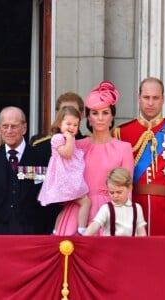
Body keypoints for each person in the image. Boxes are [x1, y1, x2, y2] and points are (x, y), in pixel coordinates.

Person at [113, 77, 165, 236]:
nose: (150, 103)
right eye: (146, 97)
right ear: (139, 98)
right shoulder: (121, 133)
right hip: (132, 213)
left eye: (155, 98)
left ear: (163, 99)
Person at [56, 80, 134, 235]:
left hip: (111, 212)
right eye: (95, 113)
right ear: (88, 118)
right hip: (78, 211)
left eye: (105, 113)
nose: (100, 118)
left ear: (112, 117)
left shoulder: (124, 148)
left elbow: (127, 191)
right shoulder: (76, 146)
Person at [0, 106, 52, 234]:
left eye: (14, 126)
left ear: (24, 128)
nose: (9, 130)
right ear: (0, 128)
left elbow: (49, 196)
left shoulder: (41, 157)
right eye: (5, 126)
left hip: (33, 232)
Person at [31, 92, 86, 233]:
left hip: (80, 211)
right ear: (57, 115)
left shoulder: (87, 144)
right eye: (64, 111)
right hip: (50, 211)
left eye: (74, 112)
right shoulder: (40, 146)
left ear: (82, 115)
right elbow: (31, 177)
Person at [85, 167, 146, 236]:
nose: (115, 195)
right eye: (111, 192)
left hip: (131, 246)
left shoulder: (137, 208)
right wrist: (85, 237)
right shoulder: (106, 208)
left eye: (119, 192)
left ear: (129, 188)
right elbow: (95, 225)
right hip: (110, 246)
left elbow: (141, 231)